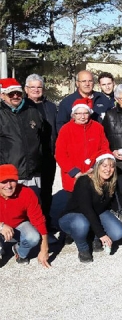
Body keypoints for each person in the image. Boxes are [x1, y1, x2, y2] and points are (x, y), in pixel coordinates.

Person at [59, 151, 122, 262]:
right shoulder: (84, 181)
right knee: (81, 223)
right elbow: (87, 209)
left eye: (112, 166)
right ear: (97, 166)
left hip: (96, 213)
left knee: (119, 233)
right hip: (74, 216)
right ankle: (83, 248)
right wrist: (102, 234)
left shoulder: (110, 182)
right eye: (104, 166)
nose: (108, 169)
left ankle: (92, 235)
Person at [0, 78, 44, 197]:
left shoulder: (32, 111)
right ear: (2, 95)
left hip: (33, 173)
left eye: (18, 93)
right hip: (9, 175)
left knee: (33, 206)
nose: (15, 96)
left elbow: (42, 137)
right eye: (11, 93)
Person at [55, 98, 110, 195]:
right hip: (73, 176)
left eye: (85, 113)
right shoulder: (66, 129)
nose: (82, 116)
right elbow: (60, 154)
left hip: (94, 173)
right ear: (73, 115)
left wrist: (94, 168)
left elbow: (104, 149)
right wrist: (75, 172)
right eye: (78, 114)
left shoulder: (98, 127)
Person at [0, 164, 50, 267]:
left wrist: (44, 248)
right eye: (3, 182)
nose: (8, 186)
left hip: (18, 225)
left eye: (12, 181)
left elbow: (38, 219)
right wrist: (1, 226)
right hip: (1, 226)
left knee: (33, 237)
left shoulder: (26, 193)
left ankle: (19, 251)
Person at [24, 74, 57, 222]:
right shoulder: (22, 106)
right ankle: (30, 222)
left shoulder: (50, 106)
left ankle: (46, 220)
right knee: (30, 191)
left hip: (48, 154)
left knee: (46, 189)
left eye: (39, 87)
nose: (36, 90)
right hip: (29, 157)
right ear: (26, 89)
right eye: (33, 87)